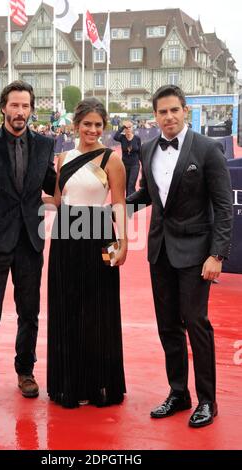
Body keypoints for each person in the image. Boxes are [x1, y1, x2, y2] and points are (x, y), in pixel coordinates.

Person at [127, 85, 233, 428]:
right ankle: (178, 392)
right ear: (154, 115)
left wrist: (217, 254)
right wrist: (116, 205)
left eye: (174, 110)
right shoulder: (146, 149)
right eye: (162, 112)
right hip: (159, 250)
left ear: (184, 110)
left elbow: (223, 205)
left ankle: (207, 400)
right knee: (168, 325)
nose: (169, 117)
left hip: (196, 252)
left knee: (196, 323)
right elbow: (150, 195)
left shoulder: (207, 149)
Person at [0, 80, 57, 412]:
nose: (20, 112)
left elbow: (51, 185)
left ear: (32, 109)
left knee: (28, 314)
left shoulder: (46, 145)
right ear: (3, 107)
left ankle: (25, 372)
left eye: (26, 106)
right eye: (14, 105)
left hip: (30, 242)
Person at [43, 98, 127, 408]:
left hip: (101, 236)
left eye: (98, 125)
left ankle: (99, 383)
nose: (92, 130)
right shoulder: (62, 158)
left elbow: (118, 203)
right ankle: (69, 383)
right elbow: (55, 199)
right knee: (67, 306)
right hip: (66, 234)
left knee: (99, 306)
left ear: (104, 128)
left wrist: (123, 243)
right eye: (87, 124)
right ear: (76, 125)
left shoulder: (111, 159)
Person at [114, 121, 141, 197]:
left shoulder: (137, 138)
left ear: (132, 128)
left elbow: (139, 152)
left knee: (131, 185)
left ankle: (131, 206)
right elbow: (115, 137)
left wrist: (144, 165)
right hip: (124, 165)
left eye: (129, 127)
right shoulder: (122, 138)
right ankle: (131, 202)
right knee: (126, 185)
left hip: (135, 165)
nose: (128, 129)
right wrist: (122, 127)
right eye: (126, 128)